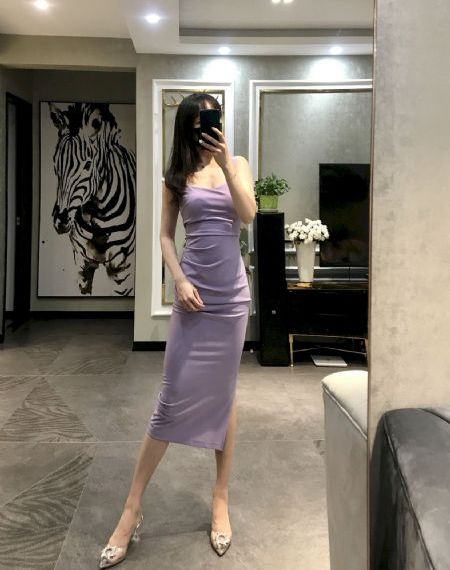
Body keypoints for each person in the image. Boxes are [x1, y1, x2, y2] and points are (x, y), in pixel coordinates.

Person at [99, 93, 256, 567]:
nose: (209, 128)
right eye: (200, 122)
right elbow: (166, 236)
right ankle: (132, 508)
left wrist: (226, 163)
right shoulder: (176, 175)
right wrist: (179, 280)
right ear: (187, 127)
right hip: (193, 297)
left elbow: (248, 215)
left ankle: (220, 498)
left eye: (214, 119)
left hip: (231, 299)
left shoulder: (237, 164)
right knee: (170, 397)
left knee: (225, 394)